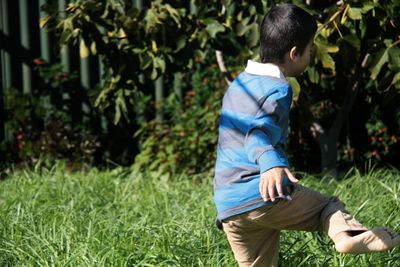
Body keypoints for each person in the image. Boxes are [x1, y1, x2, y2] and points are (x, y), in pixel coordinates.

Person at [213, 3, 400, 266]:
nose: (311, 53)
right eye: (311, 48)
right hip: (263, 193)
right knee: (328, 207)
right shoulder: (277, 89)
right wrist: (271, 165)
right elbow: (256, 132)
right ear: (294, 53)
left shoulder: (239, 84)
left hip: (228, 204)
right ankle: (347, 235)